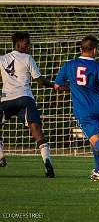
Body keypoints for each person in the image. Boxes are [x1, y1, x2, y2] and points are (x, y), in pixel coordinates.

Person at [54, 35, 99, 181]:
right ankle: (98, 171)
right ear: (95, 50)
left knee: (96, 140)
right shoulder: (98, 66)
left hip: (83, 111)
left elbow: (57, 85)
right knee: (95, 139)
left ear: (81, 49)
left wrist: (71, 87)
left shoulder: (69, 65)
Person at [0, 32, 56, 177]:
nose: (29, 46)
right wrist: (54, 86)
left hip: (6, 100)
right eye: (26, 42)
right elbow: (39, 80)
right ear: (18, 42)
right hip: (25, 98)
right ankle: (47, 161)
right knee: (36, 129)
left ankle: (1, 156)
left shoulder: (2, 59)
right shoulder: (27, 58)